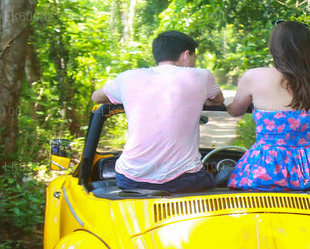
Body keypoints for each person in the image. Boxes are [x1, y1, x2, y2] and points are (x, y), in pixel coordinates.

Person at [91, 30, 223, 193]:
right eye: (194, 58)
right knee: (224, 176)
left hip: (130, 179)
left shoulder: (128, 77)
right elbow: (218, 100)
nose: (194, 63)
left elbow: (96, 97)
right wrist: (196, 97)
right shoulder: (201, 76)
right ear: (186, 54)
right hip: (184, 181)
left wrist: (128, 98)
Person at [226, 20, 310, 191]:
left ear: (275, 48)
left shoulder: (254, 76)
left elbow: (235, 111)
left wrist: (220, 103)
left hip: (267, 169)